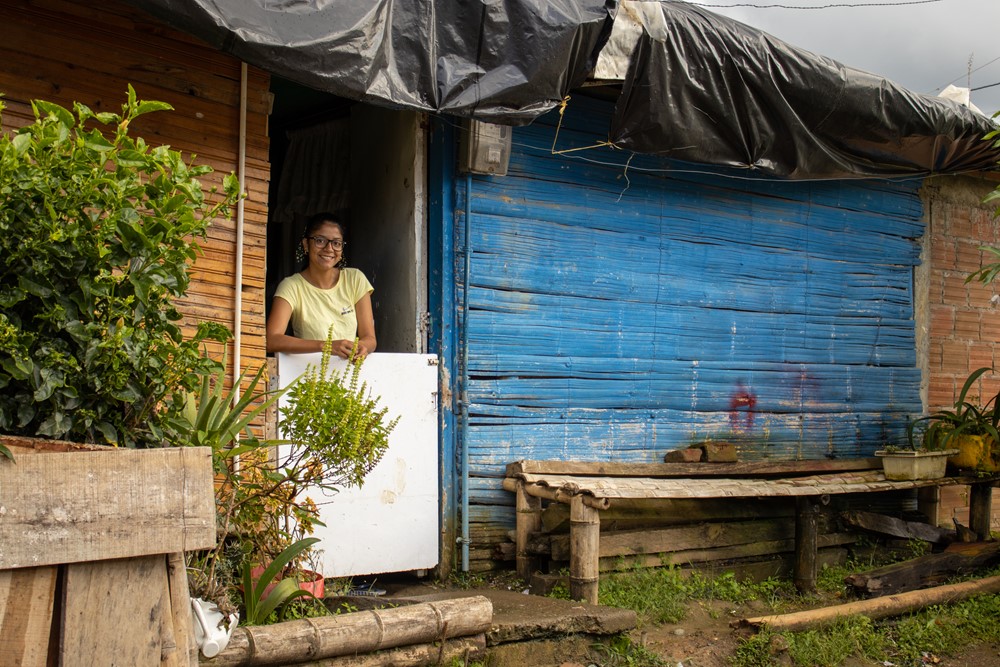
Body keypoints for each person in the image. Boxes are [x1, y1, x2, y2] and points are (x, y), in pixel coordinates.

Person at [266, 213, 376, 360]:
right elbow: (271, 339)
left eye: (336, 243)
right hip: (307, 375)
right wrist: (326, 346)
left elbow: (369, 337)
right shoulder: (291, 286)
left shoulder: (355, 279)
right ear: (306, 244)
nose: (329, 248)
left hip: (349, 374)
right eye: (320, 240)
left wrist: (363, 347)